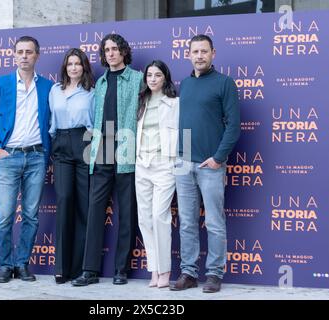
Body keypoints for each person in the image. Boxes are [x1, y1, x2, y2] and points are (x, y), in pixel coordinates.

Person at [170, 34, 240, 293]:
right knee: (187, 222)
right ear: (188, 54)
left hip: (210, 166)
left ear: (213, 53)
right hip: (183, 163)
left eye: (204, 51)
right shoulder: (185, 84)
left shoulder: (224, 83)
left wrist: (218, 158)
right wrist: (180, 156)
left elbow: (233, 126)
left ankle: (214, 274)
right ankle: (188, 272)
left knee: (213, 221)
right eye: (195, 51)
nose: (199, 56)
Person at [71, 33, 143, 286]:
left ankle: (121, 270)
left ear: (123, 51)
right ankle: (89, 270)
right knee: (94, 211)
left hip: (126, 152)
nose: (111, 53)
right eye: (107, 50)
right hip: (101, 151)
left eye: (115, 49)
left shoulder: (138, 79)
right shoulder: (99, 83)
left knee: (126, 213)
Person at [0, 36, 52, 283]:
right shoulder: (0, 84)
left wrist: (47, 152)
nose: (24, 56)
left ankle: (21, 264)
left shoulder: (47, 87)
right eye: (20, 52)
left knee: (31, 215)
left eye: (29, 52)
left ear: (37, 55)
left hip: (36, 157)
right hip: (8, 156)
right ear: (13, 55)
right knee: (4, 215)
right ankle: (5, 265)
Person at [49, 48, 95, 284]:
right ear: (65, 67)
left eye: (78, 64)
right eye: (70, 64)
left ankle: (80, 268)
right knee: (65, 199)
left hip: (85, 142)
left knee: (84, 206)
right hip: (61, 145)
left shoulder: (91, 92)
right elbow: (51, 122)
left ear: (84, 67)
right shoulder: (54, 90)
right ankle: (62, 267)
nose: (73, 67)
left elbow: (97, 124)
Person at [135, 60, 179, 288]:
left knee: (159, 217)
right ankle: (154, 270)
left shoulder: (174, 103)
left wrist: (180, 165)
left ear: (165, 78)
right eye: (149, 75)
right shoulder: (140, 101)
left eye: (157, 75)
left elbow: (185, 133)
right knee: (144, 219)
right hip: (141, 164)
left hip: (165, 165)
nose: (152, 79)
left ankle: (166, 271)